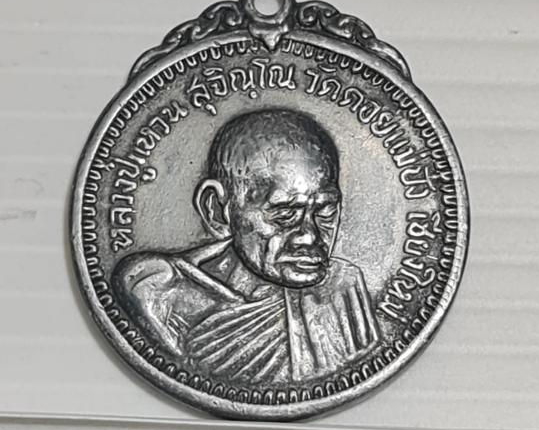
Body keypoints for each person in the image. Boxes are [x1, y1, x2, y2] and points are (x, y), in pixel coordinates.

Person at [112, 108, 379, 385]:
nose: (309, 236)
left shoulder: (340, 287)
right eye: (285, 214)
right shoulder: (158, 289)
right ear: (217, 211)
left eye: (325, 211)